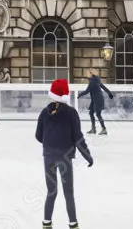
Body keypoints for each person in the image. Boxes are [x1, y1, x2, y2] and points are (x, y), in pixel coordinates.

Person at [36, 78, 92, 229]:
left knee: (51, 191)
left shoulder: (44, 112)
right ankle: (73, 224)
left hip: (48, 157)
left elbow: (38, 136)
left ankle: (46, 223)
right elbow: (78, 138)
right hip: (64, 158)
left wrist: (49, 144)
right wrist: (88, 156)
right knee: (68, 193)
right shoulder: (71, 113)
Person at [78, 69, 113, 135]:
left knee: (98, 114)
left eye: (88, 73)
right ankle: (93, 129)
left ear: (91, 74)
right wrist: (109, 93)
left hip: (98, 100)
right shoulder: (96, 80)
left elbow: (87, 91)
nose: (87, 75)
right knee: (91, 113)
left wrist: (79, 95)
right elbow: (104, 87)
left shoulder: (93, 81)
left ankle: (104, 129)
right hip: (95, 100)